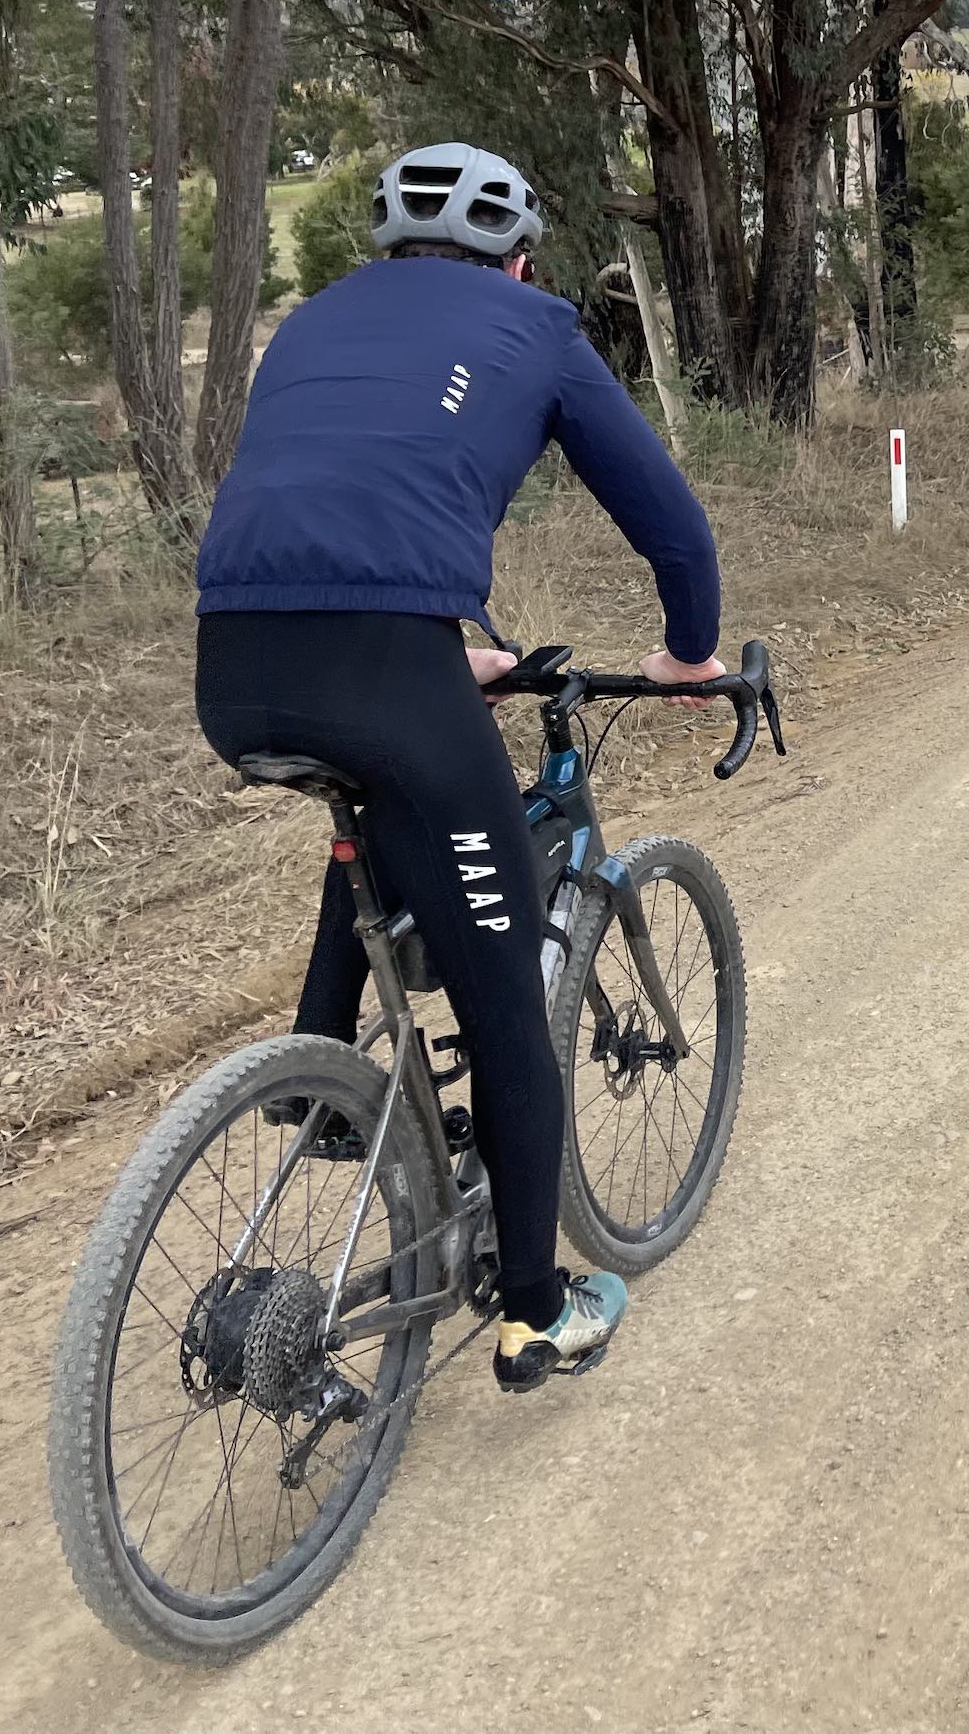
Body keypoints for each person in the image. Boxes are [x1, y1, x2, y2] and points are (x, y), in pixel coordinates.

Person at [193, 141, 723, 1391]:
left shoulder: (311, 320)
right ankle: (536, 1312)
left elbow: (339, 502)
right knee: (504, 1010)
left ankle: (315, 1081)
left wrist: (442, 656)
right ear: (522, 257)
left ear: (385, 251)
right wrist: (690, 655)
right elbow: (672, 525)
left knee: (381, 786)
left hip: (233, 663)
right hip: (386, 662)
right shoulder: (537, 324)